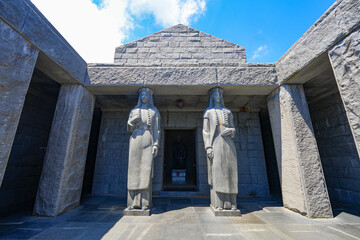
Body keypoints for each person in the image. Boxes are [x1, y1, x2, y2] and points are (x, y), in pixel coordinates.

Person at [202, 87, 238, 211]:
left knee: (230, 172)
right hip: (216, 143)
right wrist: (208, 147)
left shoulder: (228, 112)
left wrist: (231, 131)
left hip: (228, 144)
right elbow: (206, 131)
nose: (218, 98)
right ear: (212, 98)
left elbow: (233, 129)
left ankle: (232, 203)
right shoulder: (208, 112)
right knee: (218, 172)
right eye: (215, 96)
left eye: (219, 96)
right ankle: (218, 203)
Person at [126, 88, 160, 211]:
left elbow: (157, 130)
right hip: (135, 138)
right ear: (140, 97)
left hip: (148, 138)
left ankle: (145, 202)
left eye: (146, 95)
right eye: (142, 95)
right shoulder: (134, 110)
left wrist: (156, 144)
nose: (144, 97)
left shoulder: (154, 111)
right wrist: (131, 122)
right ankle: (132, 202)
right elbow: (129, 129)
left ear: (150, 98)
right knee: (134, 168)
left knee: (146, 169)